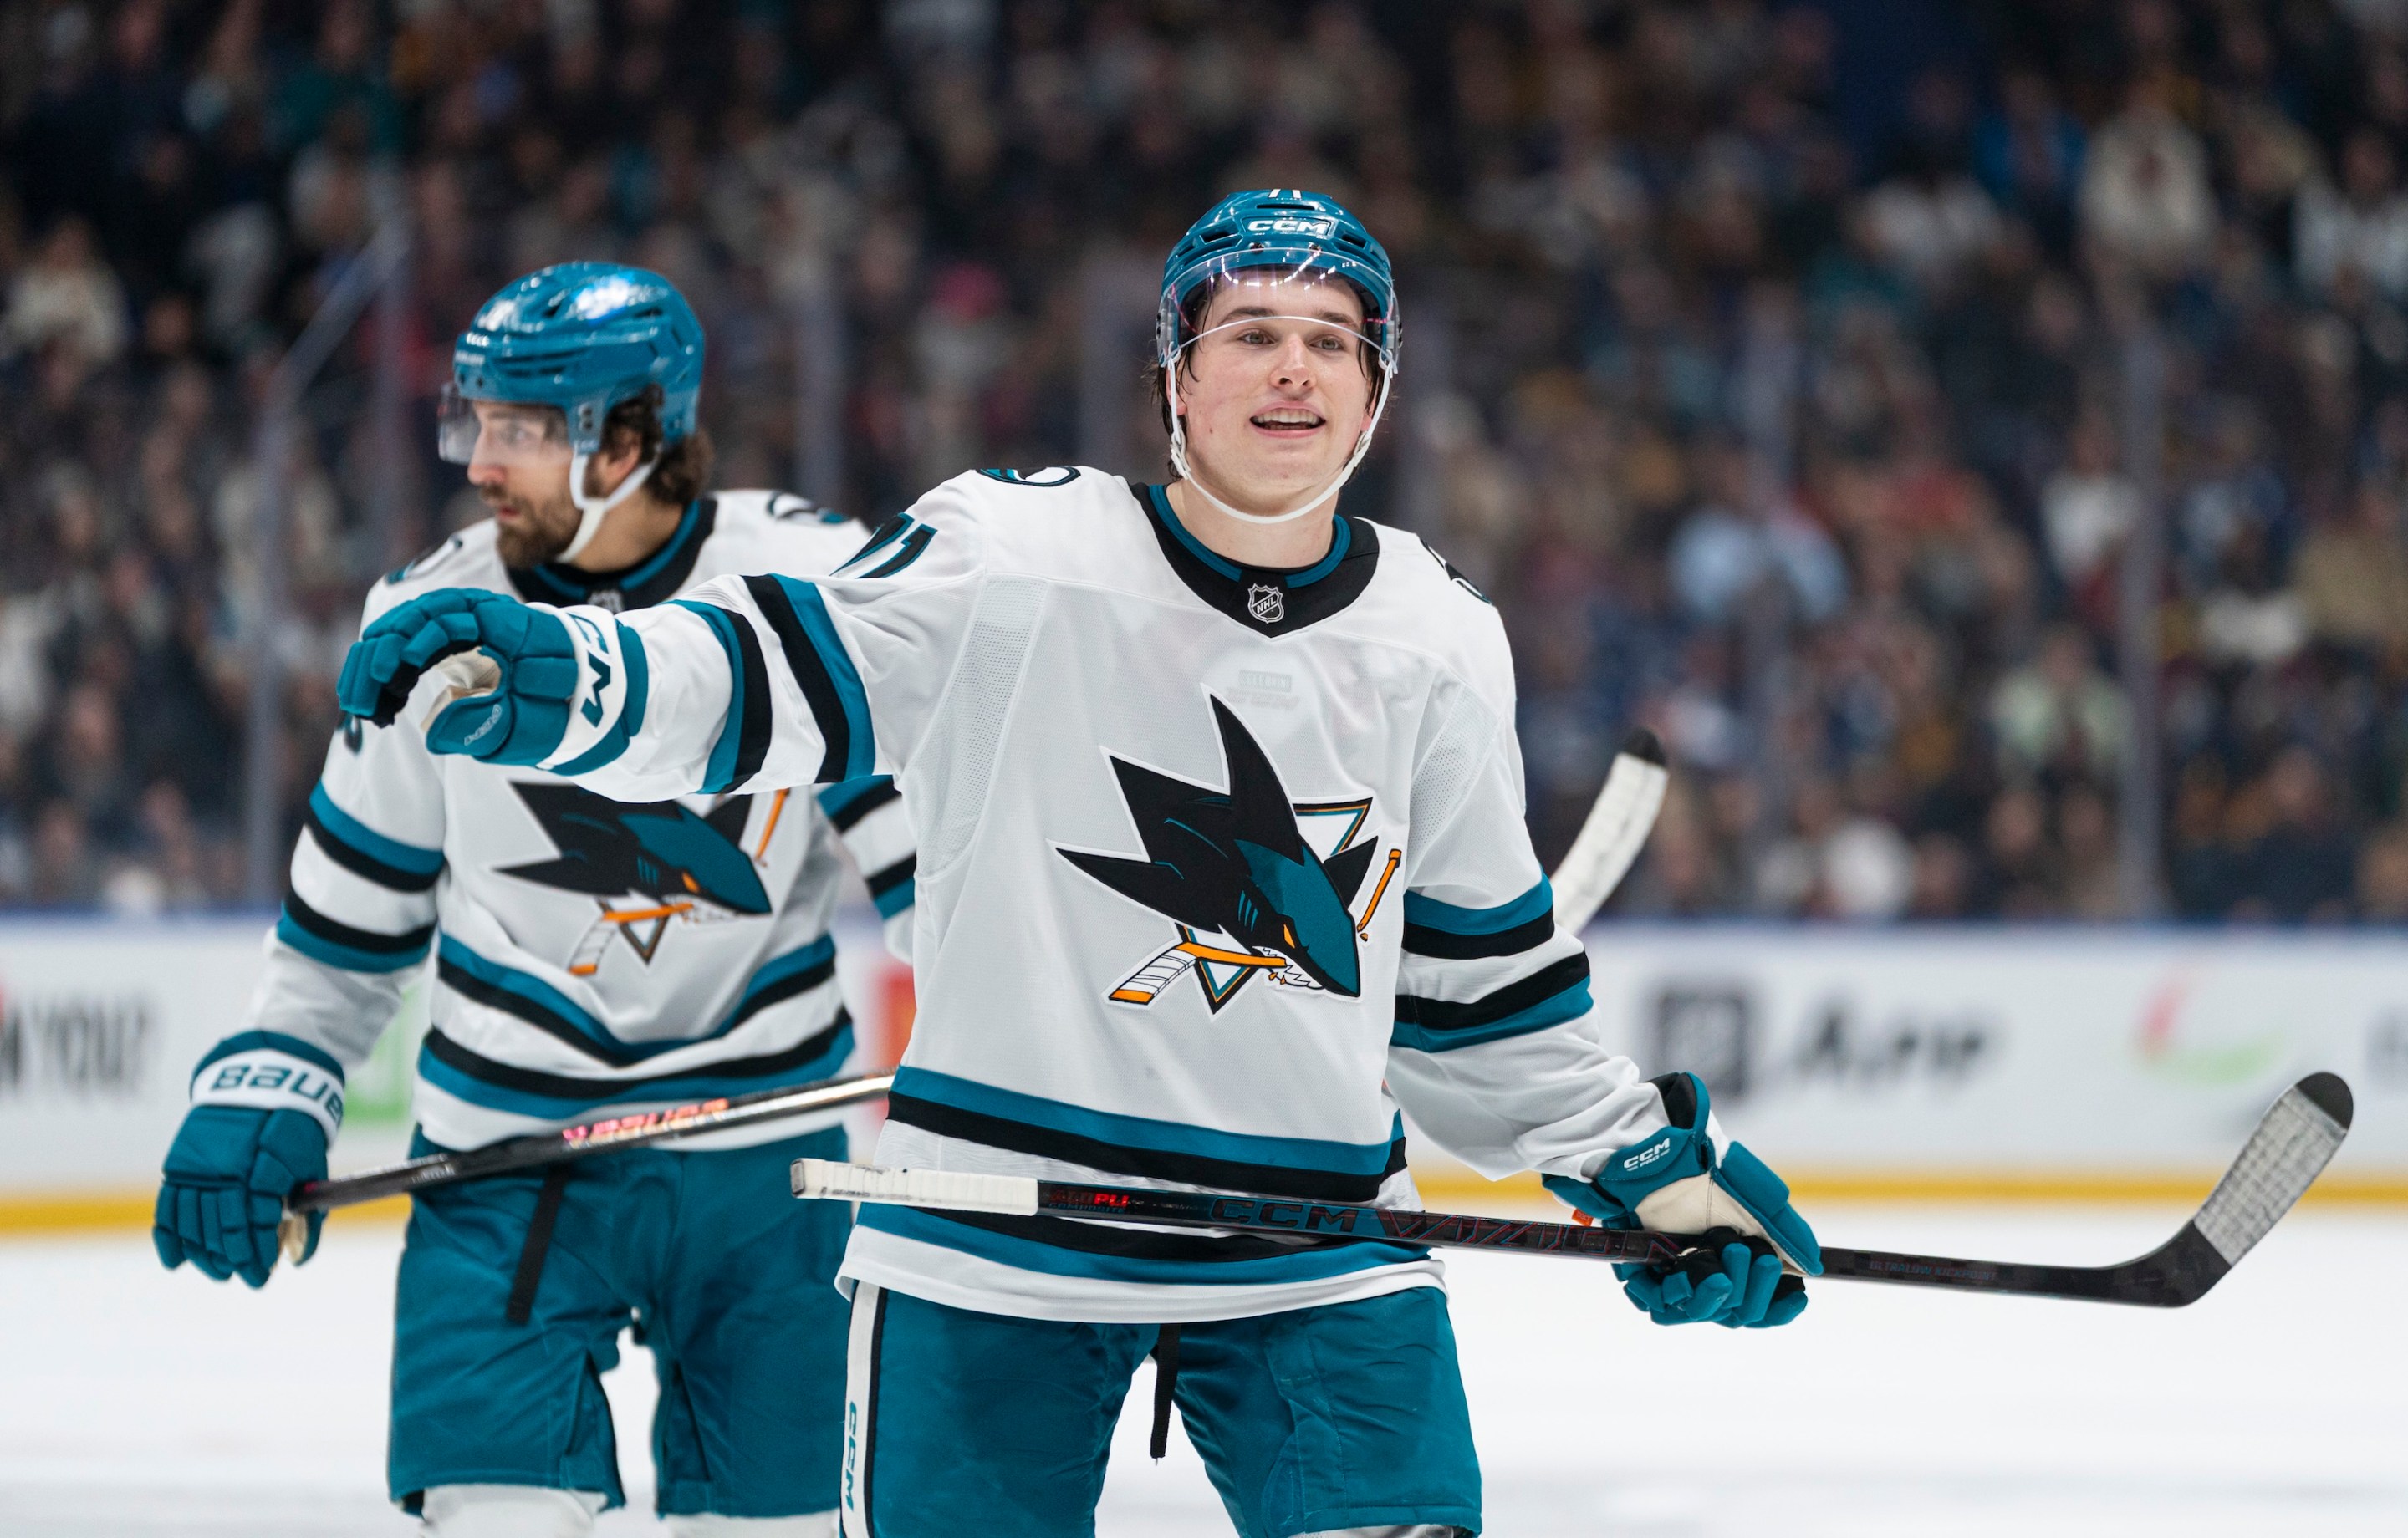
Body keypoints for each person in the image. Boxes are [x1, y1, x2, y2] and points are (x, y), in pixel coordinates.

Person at [337, 196, 1819, 1538]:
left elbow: (1474, 1007)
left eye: (1331, 340)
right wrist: (559, 672)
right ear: (1174, 373)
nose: (1292, 369)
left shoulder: (1438, 637)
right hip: (993, 1255)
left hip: (1307, 1256)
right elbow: (765, 679)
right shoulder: (1011, 557)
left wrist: (1639, 1163)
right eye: (1250, 334)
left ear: (1377, 386)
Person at [156, 264, 915, 1538]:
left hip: (766, 1168)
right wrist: (269, 1078)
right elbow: (348, 926)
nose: (478, 462)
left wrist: (1000, 1068)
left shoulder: (815, 582)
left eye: (517, 429)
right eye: (476, 423)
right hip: (503, 1159)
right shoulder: (426, 621)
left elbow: (935, 877)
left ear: (630, 439)